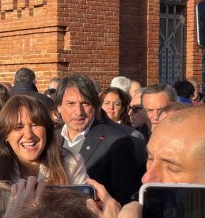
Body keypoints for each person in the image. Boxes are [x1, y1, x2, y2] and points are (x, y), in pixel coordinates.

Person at [56, 74, 143, 204]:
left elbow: (124, 197)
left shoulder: (116, 142)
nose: (78, 111)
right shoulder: (50, 138)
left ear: (95, 106)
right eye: (71, 103)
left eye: (85, 103)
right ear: (59, 107)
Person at [0, 95, 88, 191]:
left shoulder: (71, 163)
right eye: (18, 127)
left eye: (35, 125)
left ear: (46, 130)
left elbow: (82, 212)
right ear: (5, 135)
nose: (28, 135)